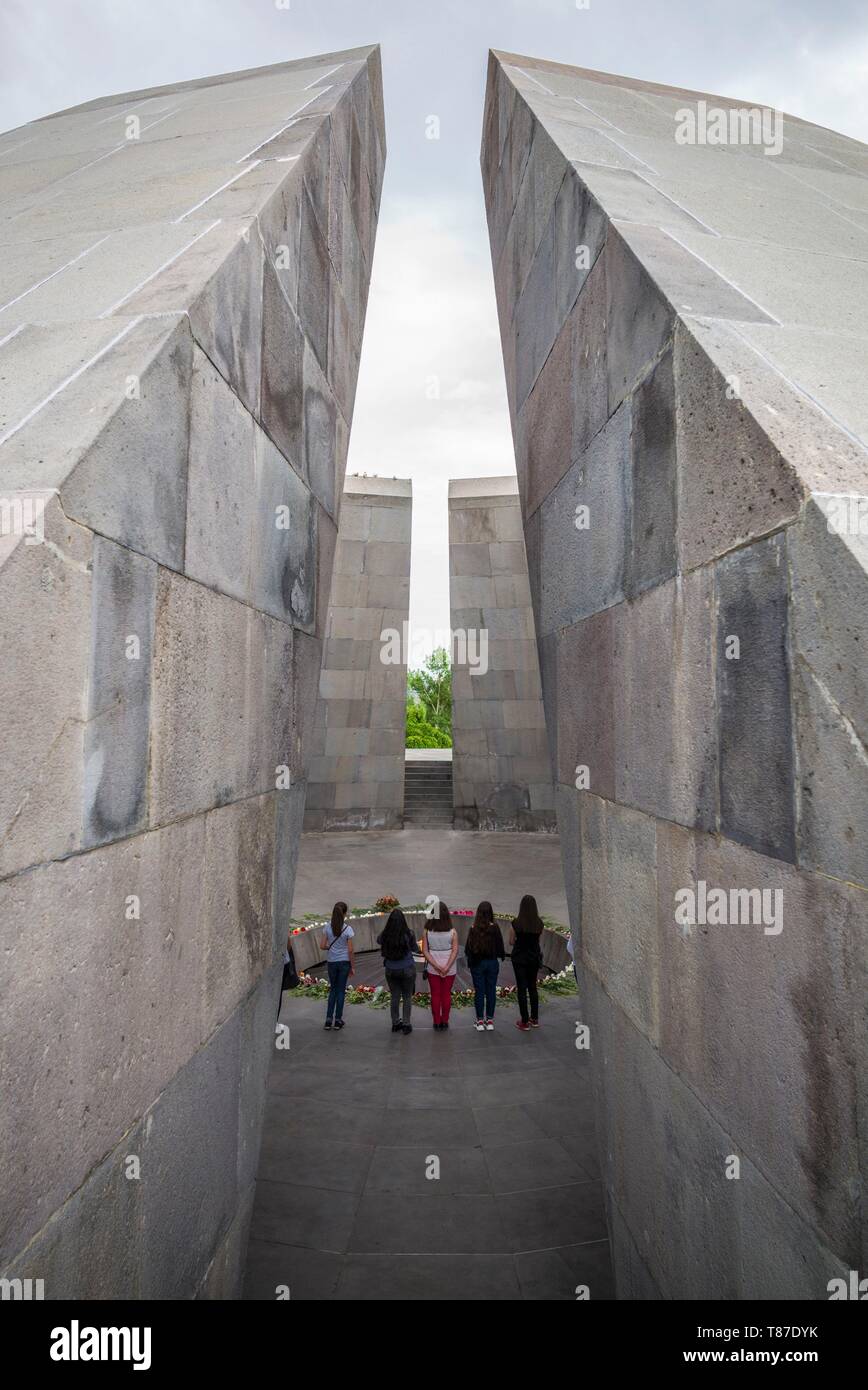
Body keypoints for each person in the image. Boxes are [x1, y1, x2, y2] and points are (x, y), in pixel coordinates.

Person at [464, 901, 505, 1032]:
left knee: (479, 992)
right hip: (492, 963)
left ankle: (480, 1021)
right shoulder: (495, 927)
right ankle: (490, 1021)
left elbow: (467, 949)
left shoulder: (473, 928)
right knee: (491, 990)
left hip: (478, 964)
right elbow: (500, 946)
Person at [377, 908, 417, 1035]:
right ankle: (406, 1024)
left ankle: (395, 1023)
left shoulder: (385, 934)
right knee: (407, 997)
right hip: (407, 969)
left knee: (395, 996)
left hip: (390, 969)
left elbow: (379, 940)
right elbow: (415, 948)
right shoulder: (409, 934)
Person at [509, 894, 544, 1032]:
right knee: (533, 987)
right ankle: (534, 1019)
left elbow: (511, 942)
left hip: (519, 959)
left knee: (522, 988)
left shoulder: (516, 923)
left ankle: (524, 1021)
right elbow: (538, 942)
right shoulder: (539, 924)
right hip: (533, 958)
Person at [422, 900, 458, 1030]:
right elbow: (455, 950)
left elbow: (425, 950)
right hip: (450, 968)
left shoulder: (427, 931)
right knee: (446, 994)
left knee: (435, 994)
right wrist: (447, 967)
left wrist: (436, 966)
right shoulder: (453, 932)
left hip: (433, 967)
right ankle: (445, 1021)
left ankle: (436, 1021)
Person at [319, 901, 354, 1030]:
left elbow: (322, 946)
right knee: (341, 991)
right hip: (344, 962)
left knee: (333, 990)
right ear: (344, 914)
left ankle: (328, 1020)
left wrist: (330, 947)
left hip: (331, 962)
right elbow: (350, 950)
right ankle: (338, 1020)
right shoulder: (348, 929)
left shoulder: (327, 927)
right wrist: (352, 966)